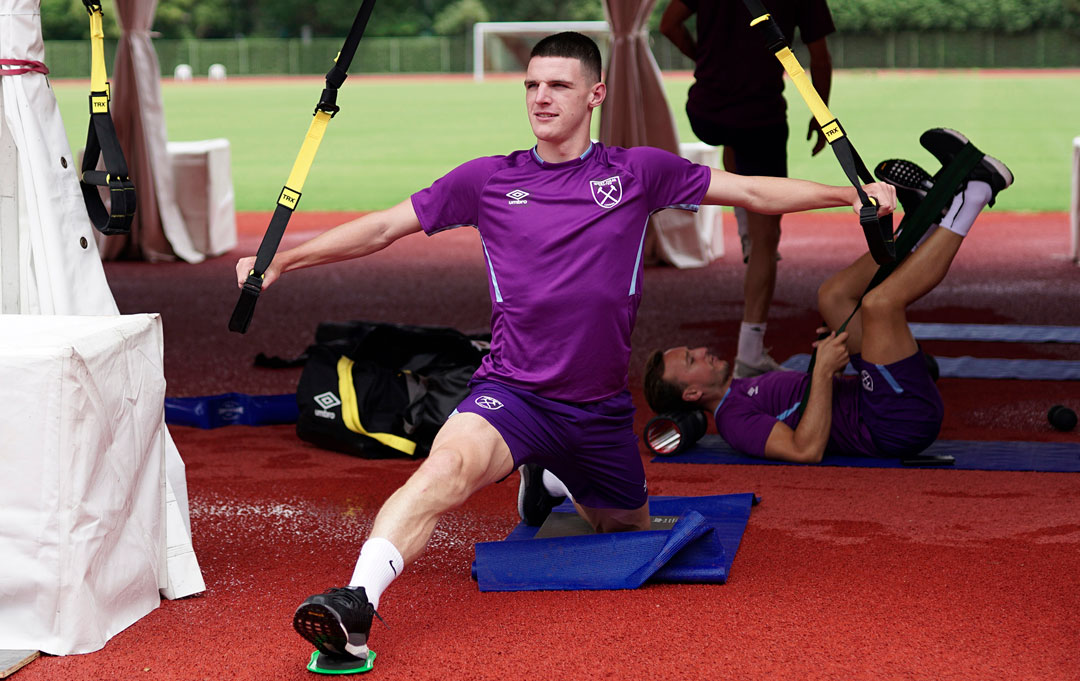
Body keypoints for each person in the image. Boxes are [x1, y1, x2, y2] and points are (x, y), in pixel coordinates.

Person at [236, 32, 895, 666]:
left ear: (596, 94)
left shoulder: (637, 173)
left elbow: (751, 190)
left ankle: (546, 475)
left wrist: (849, 194)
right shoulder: (487, 181)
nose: (541, 97)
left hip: (599, 411)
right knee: (443, 472)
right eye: (531, 84)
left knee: (628, 532)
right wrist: (285, 263)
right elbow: (384, 226)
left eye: (558, 84)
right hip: (511, 392)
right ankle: (355, 602)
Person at [644, 131, 1013, 463]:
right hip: (896, 422)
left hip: (875, 397)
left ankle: (928, 220)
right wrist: (821, 371)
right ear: (692, 393)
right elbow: (804, 450)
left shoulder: (741, 386)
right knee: (878, 306)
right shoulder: (733, 422)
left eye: (692, 350)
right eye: (692, 359)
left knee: (833, 295)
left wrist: (829, 360)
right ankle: (977, 190)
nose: (703, 351)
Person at [660, 0, 836, 378]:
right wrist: (823, 115)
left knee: (735, 138)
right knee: (767, 239)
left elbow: (668, 25)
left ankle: (744, 216)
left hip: (705, 111)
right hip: (759, 117)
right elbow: (819, 59)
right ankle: (749, 354)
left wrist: (703, 60)